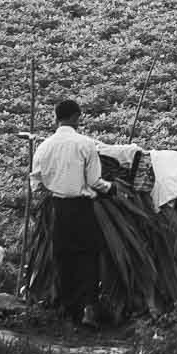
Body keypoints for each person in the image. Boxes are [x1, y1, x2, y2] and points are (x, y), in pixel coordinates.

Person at [29, 98, 137, 327]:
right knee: (87, 256)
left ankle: (67, 311)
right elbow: (95, 181)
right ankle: (89, 308)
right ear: (76, 117)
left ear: (55, 117)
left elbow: (35, 181)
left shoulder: (44, 146)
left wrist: (50, 192)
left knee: (61, 257)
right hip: (81, 208)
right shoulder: (85, 144)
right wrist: (112, 188)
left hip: (56, 209)